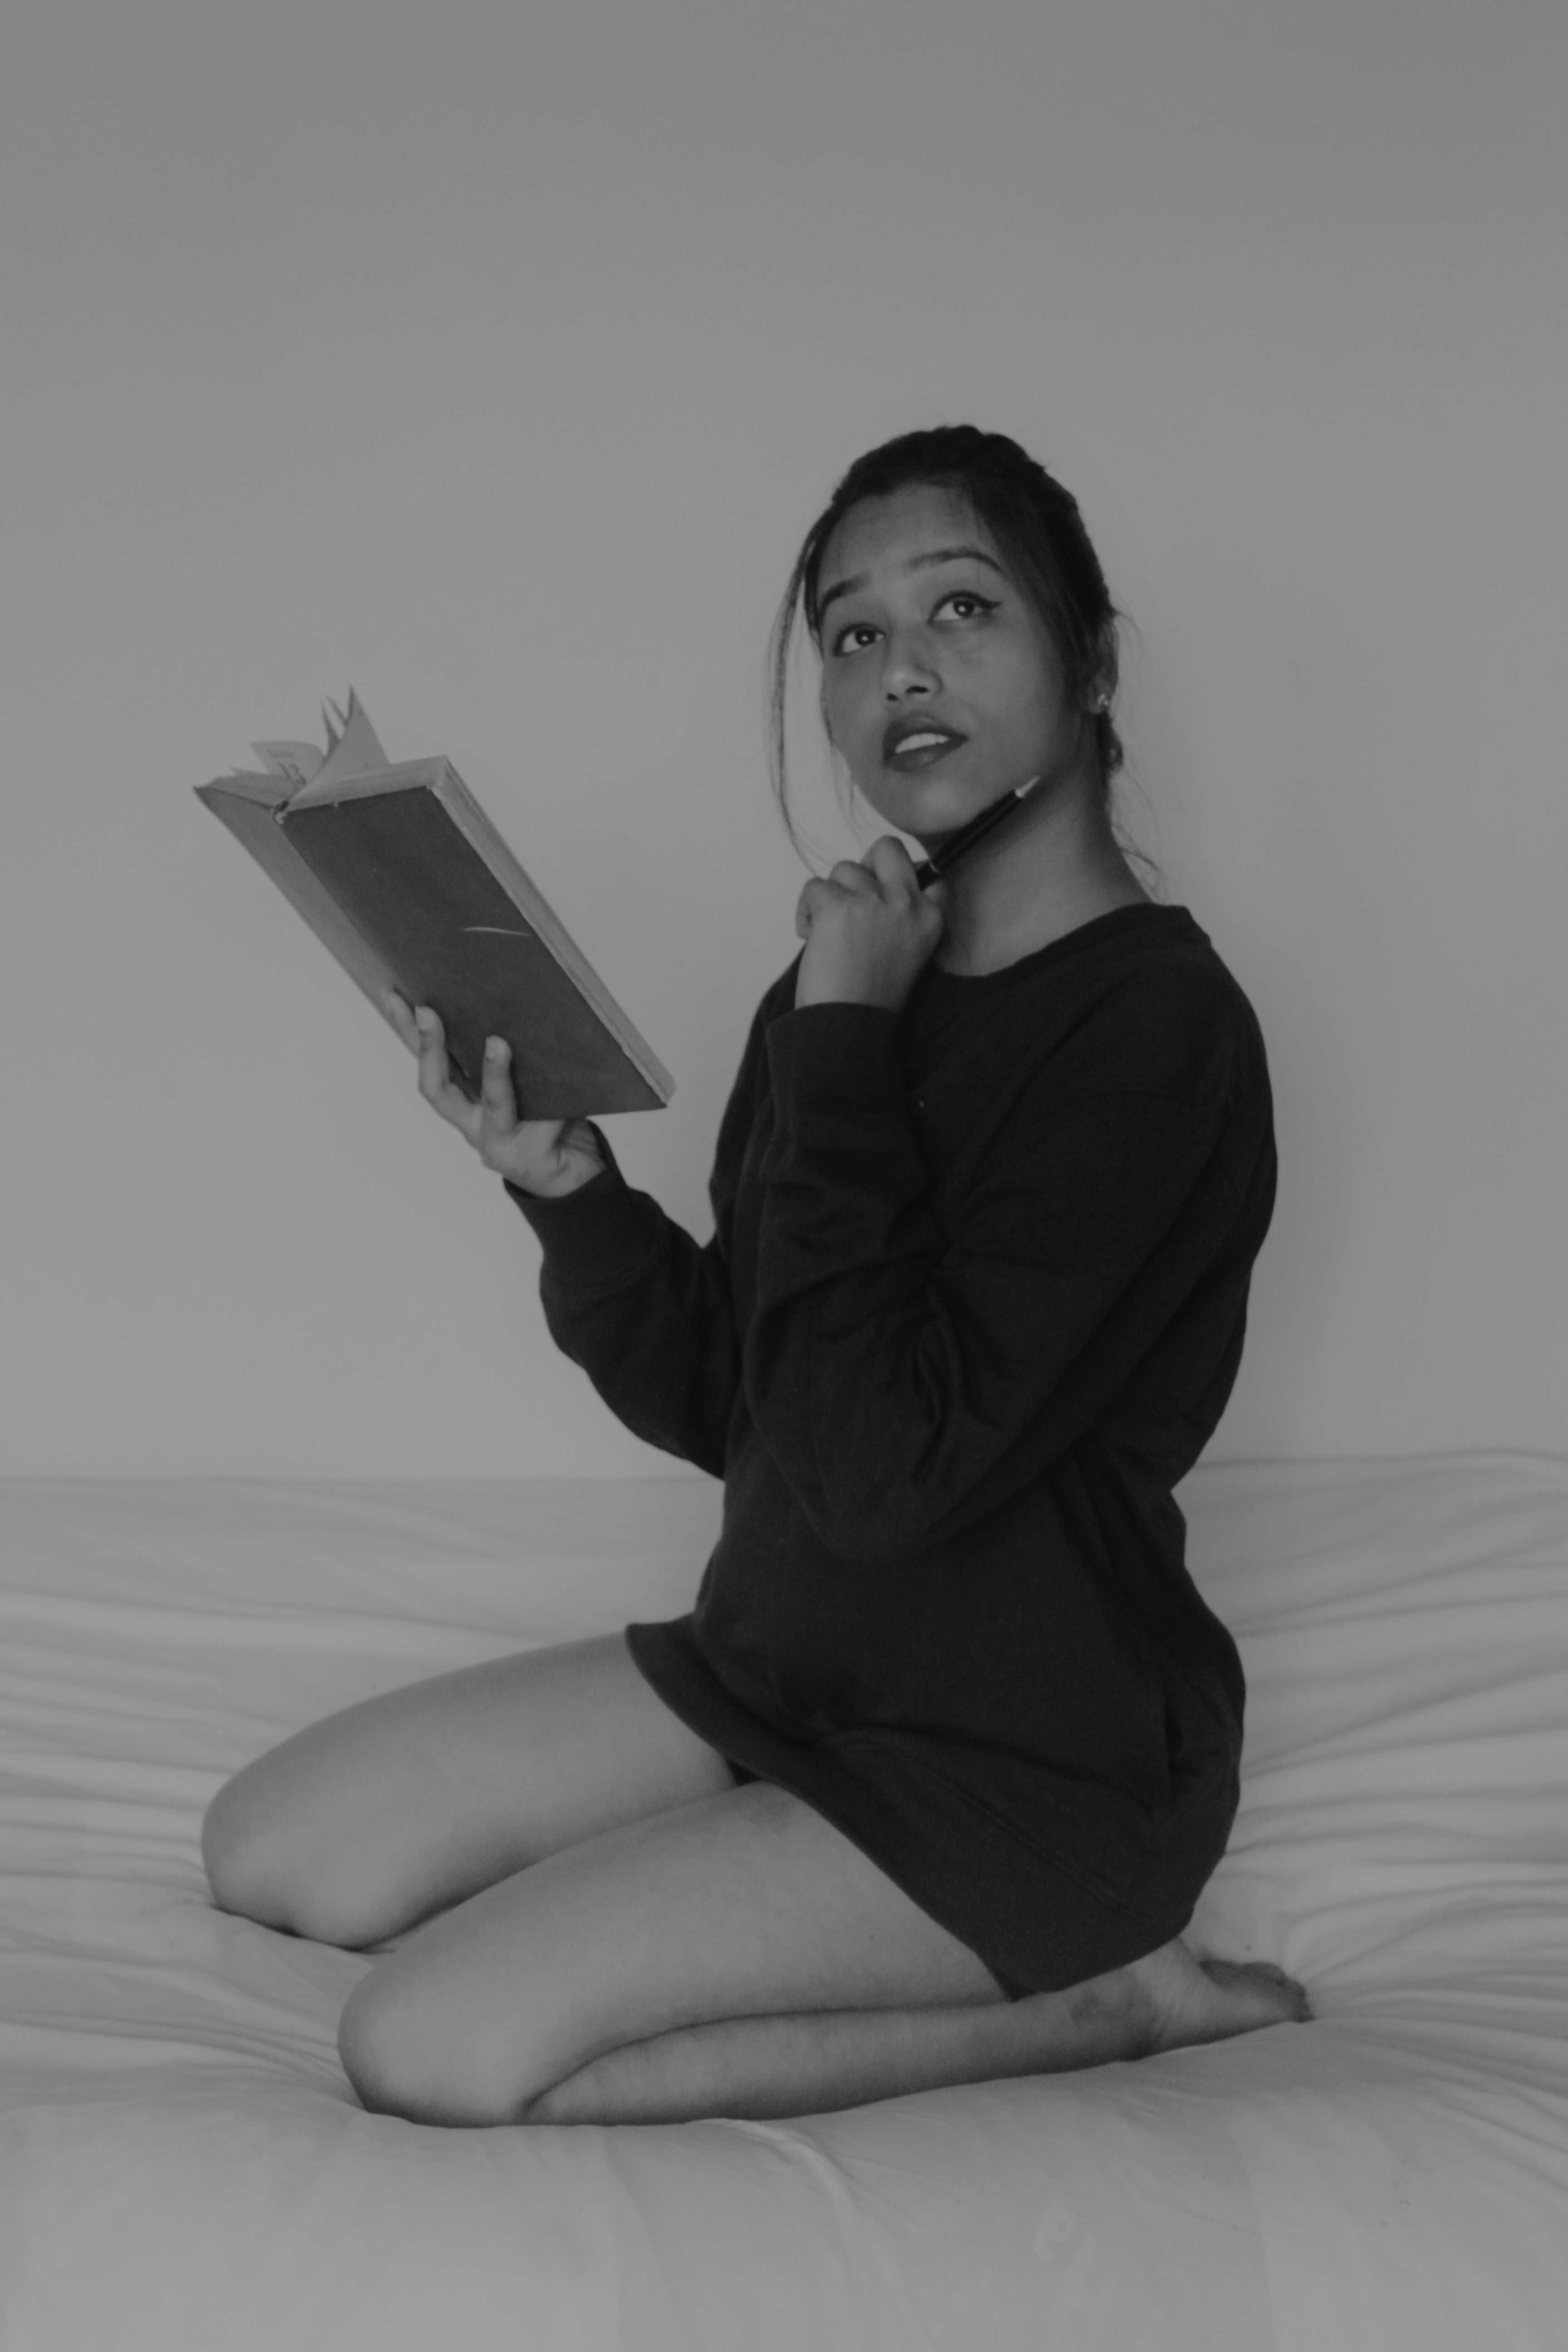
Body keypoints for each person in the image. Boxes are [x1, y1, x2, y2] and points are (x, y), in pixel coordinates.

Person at [201, 423, 1310, 2127]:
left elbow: (883, 1469)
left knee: (427, 2049)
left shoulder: (1156, 1032)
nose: (900, 669)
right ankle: (757, 1867)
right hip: (785, 1675)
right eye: (853, 634)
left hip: (1022, 1765)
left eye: (961, 607)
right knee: (275, 1851)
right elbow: (750, 1404)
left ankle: (1107, 2000)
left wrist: (849, 1034)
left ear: (1091, 664)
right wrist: (574, 1195)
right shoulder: (836, 992)